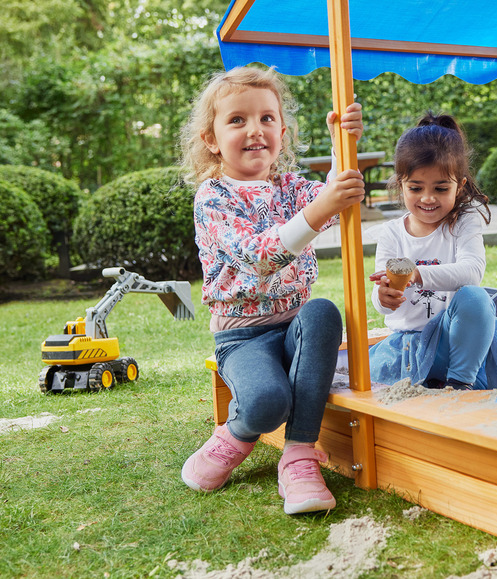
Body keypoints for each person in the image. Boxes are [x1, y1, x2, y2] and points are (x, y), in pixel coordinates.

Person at [178, 66, 365, 514]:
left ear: (281, 130)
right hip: (243, 336)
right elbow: (261, 256)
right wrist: (323, 206)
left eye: (266, 118)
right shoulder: (214, 197)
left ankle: (299, 456)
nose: (255, 130)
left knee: (322, 312)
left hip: (296, 326)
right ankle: (234, 435)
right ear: (211, 138)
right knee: (267, 401)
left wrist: (344, 143)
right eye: (237, 120)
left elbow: (333, 203)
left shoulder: (288, 185)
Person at [368, 113, 497, 390]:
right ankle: (440, 380)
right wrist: (383, 297)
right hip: (410, 348)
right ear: (401, 184)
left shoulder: (464, 221)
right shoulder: (392, 232)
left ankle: (460, 385)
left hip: (457, 344)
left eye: (441, 188)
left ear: (459, 186)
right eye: (416, 188)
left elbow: (472, 272)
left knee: (475, 297)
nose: (428, 198)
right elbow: (382, 299)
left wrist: (417, 273)